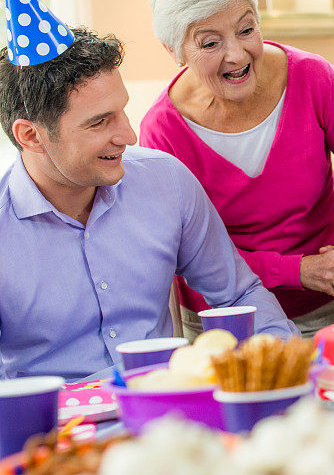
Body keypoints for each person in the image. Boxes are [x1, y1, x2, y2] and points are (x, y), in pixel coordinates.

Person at [0, 20, 299, 381]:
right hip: (48, 430)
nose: (128, 134)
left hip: (165, 414)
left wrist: (284, 357)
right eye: (99, 123)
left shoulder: (166, 181)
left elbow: (238, 296)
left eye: (122, 111)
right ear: (30, 135)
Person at [136, 0, 334, 338]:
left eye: (247, 29)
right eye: (210, 43)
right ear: (173, 50)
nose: (237, 54)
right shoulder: (162, 131)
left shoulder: (314, 79)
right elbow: (185, 252)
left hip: (331, 304)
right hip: (225, 322)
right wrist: (296, 270)